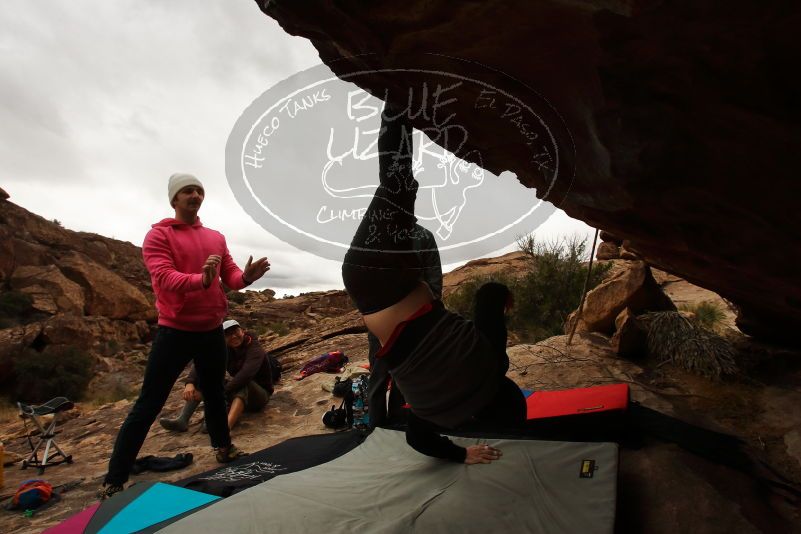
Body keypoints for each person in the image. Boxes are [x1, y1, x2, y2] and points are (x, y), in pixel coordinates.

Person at [342, 102, 526, 465]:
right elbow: (419, 441)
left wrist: (506, 300)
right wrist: (462, 455)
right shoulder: (436, 416)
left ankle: (395, 100)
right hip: (376, 287)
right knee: (402, 190)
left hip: (384, 278)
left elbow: (488, 295)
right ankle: (397, 109)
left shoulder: (491, 362)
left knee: (398, 182)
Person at [98, 173, 271, 499]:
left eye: (199, 190)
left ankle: (223, 448)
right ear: (174, 199)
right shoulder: (158, 236)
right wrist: (200, 281)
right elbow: (163, 277)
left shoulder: (215, 237)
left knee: (216, 393)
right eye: (187, 191)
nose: (195, 195)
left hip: (210, 331)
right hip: (174, 332)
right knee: (149, 404)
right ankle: (115, 478)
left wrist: (245, 277)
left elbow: (230, 275)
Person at [366, 224, 441, 429]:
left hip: (407, 318)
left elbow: (434, 284)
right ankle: (378, 427)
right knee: (380, 375)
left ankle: (395, 424)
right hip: (383, 318)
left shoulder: (423, 236)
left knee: (399, 375)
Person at [159, 319, 274, 432]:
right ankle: (182, 420)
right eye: (228, 334)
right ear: (223, 338)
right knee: (208, 378)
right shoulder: (225, 348)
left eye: (236, 332)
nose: (233, 336)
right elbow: (203, 362)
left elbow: (246, 375)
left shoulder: (254, 348)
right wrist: (190, 383)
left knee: (244, 384)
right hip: (238, 395)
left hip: (260, 395)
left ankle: (224, 428)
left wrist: (219, 393)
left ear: (242, 331)